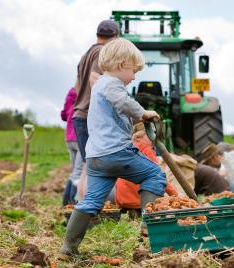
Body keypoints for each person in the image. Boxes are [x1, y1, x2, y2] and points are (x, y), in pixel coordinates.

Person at [59, 38, 166, 257]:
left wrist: (135, 123)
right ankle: (148, 224)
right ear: (121, 64)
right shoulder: (111, 84)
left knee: (91, 201)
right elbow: (122, 102)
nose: (134, 77)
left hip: (96, 158)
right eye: (133, 71)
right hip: (115, 152)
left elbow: (116, 111)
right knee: (155, 175)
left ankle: (68, 248)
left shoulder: (99, 85)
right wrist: (143, 113)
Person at [72, 20, 119, 162]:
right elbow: (94, 79)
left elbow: (76, 87)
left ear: (97, 34)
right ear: (115, 37)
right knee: (98, 170)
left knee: (89, 169)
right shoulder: (101, 52)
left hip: (80, 116)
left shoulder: (87, 54)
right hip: (89, 118)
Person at [115, 124, 178, 218]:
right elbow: (159, 176)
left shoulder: (127, 149)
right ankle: (147, 215)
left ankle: (133, 213)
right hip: (137, 201)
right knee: (158, 186)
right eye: (150, 134)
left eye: (154, 133)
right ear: (138, 138)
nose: (154, 137)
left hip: (122, 200)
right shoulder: (146, 149)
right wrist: (175, 195)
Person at [60, 87, 83, 206]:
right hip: (79, 137)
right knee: (78, 173)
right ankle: (73, 204)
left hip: (69, 138)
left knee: (74, 171)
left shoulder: (70, 94)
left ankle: (66, 203)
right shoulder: (85, 93)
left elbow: (63, 115)